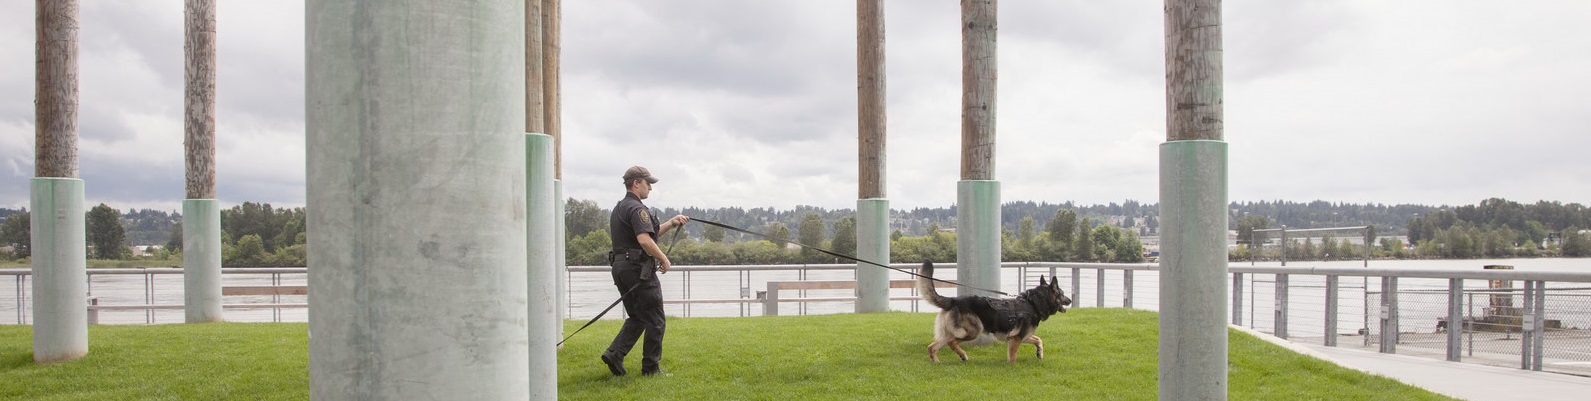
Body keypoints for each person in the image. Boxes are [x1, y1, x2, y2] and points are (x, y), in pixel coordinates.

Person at [600, 165, 689, 376]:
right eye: (647, 183)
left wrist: (672, 222)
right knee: (656, 320)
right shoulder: (638, 209)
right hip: (638, 269)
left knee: (638, 316)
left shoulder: (620, 208)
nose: (650, 187)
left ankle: (615, 354)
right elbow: (644, 239)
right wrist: (663, 258)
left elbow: (649, 232)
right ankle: (651, 369)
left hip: (621, 268)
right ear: (635, 183)